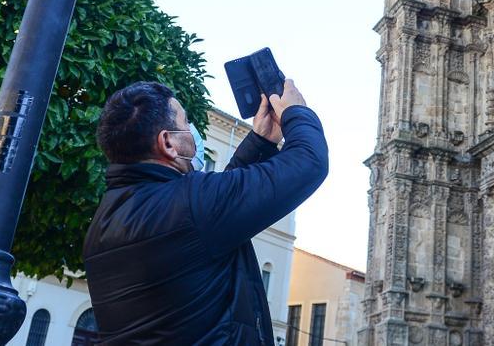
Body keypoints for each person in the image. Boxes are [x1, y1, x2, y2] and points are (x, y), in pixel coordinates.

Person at [83, 79, 327, 345]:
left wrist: (260, 142)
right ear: (167, 143)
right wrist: (296, 112)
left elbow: (207, 223)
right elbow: (310, 161)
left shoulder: (103, 222)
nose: (191, 131)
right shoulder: (192, 205)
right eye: (185, 123)